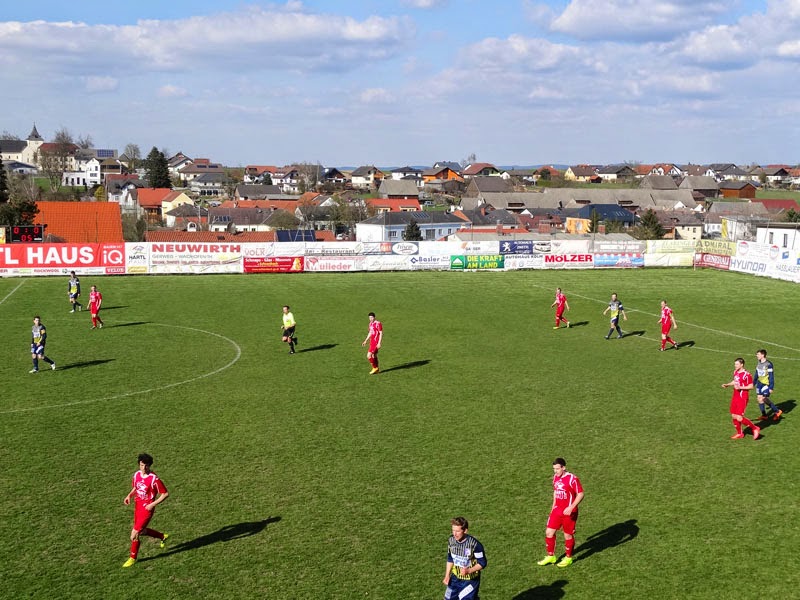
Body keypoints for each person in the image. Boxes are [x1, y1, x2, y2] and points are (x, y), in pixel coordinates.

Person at [122, 453, 169, 567]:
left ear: (150, 465)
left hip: (147, 509)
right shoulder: (136, 474)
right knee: (142, 531)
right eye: (142, 465)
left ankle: (132, 558)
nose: (144, 468)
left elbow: (165, 493)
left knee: (134, 534)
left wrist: (152, 504)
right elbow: (136, 487)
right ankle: (162, 536)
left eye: (146, 465)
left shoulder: (154, 479)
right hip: (138, 506)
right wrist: (129, 495)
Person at [537, 457, 584, 568]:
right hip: (557, 510)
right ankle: (551, 556)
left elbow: (581, 494)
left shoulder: (572, 479)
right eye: (554, 469)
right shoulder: (555, 477)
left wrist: (571, 507)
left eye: (557, 469)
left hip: (569, 512)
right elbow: (555, 492)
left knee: (567, 535)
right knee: (549, 532)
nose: (555, 471)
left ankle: (568, 558)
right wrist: (553, 507)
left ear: (563, 467)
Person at [443, 516, 487, 600]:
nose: (454, 534)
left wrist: (469, 571)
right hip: (455, 579)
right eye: (453, 530)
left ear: (465, 530)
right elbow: (450, 558)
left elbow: (483, 563)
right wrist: (447, 575)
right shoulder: (451, 540)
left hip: (470, 580)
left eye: (457, 531)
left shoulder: (475, 544)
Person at [721, 357, 760, 440]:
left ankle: (755, 428)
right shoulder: (735, 372)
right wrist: (728, 384)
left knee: (739, 417)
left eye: (737, 364)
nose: (735, 365)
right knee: (733, 415)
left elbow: (751, 386)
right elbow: (735, 381)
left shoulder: (747, 375)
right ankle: (739, 433)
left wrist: (740, 387)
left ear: (742, 365)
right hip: (735, 396)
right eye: (735, 364)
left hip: (743, 397)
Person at [755, 349, 782, 421]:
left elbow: (771, 376)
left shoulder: (769, 364)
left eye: (758, 354)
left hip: (766, 384)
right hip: (759, 383)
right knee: (759, 399)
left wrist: (771, 387)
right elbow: (756, 373)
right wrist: (753, 383)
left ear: (763, 355)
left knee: (763, 398)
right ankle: (764, 416)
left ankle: (777, 411)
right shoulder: (759, 362)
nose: (756, 355)